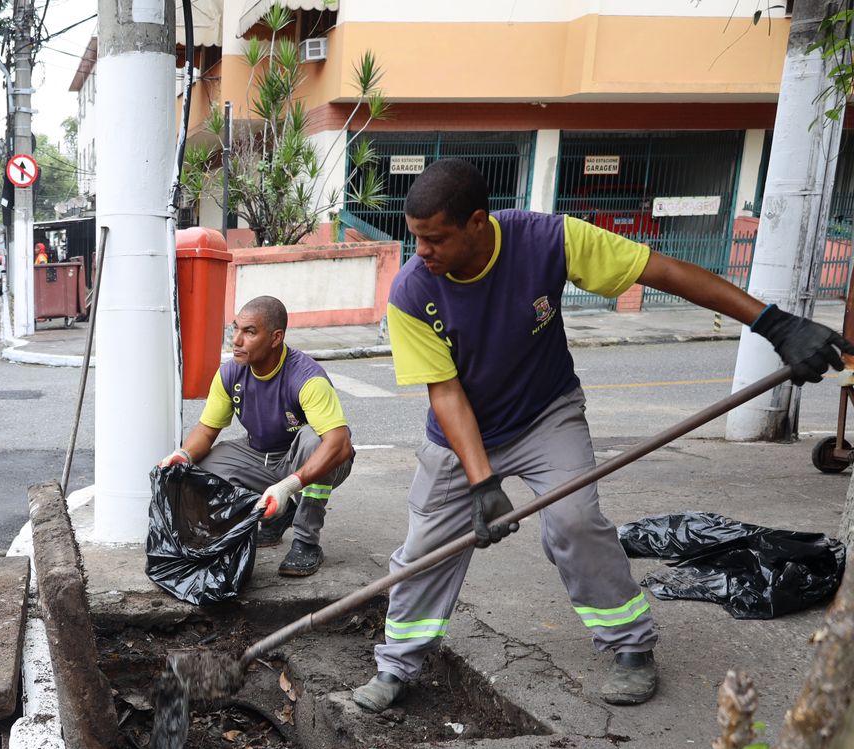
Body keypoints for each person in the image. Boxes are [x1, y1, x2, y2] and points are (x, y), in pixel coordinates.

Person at [350, 158, 852, 717]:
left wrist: (773, 323)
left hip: (545, 414)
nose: (421, 251)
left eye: (435, 238)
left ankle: (631, 646)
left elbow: (663, 272)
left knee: (575, 523)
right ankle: (397, 665)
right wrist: (482, 481)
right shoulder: (412, 292)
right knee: (426, 548)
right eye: (415, 237)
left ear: (477, 222)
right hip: (460, 435)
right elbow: (445, 394)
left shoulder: (549, 240)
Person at [158, 295, 355, 578]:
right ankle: (269, 516)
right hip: (260, 455)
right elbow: (206, 430)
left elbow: (339, 444)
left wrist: (288, 487)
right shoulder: (230, 374)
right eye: (235, 329)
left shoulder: (307, 378)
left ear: (276, 338)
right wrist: (183, 455)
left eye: (249, 332)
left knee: (316, 440)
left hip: (308, 461)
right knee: (202, 468)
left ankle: (306, 541)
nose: (236, 340)